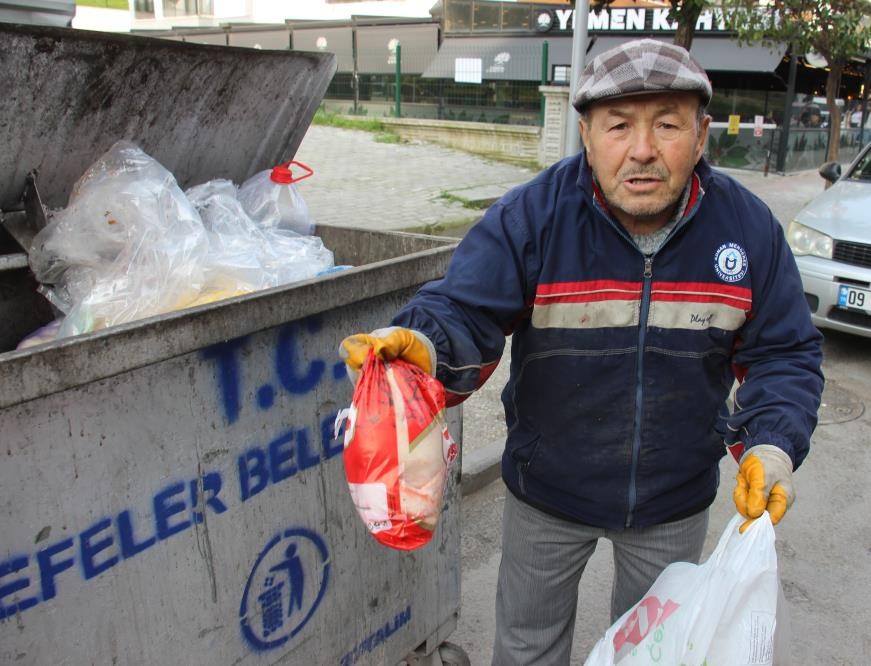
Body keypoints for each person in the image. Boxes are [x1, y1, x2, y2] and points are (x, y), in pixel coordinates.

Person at [340, 38, 824, 664]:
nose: (643, 150)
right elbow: (463, 307)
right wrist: (423, 346)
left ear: (702, 136)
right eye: (619, 126)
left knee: (655, 650)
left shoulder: (748, 229)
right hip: (547, 491)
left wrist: (771, 444)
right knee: (526, 647)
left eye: (668, 125)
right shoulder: (533, 218)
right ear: (588, 136)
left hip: (671, 498)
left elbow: (783, 353)